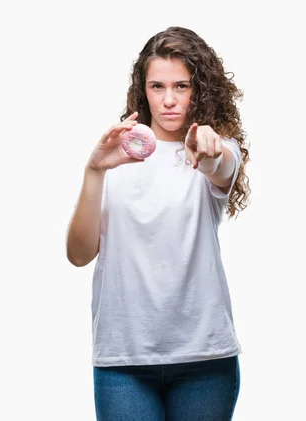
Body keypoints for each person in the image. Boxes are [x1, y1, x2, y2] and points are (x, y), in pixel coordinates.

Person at [66, 26, 250, 421]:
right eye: (157, 86)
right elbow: (79, 255)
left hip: (205, 360)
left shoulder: (214, 147)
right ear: (142, 89)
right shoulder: (115, 154)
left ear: (199, 89)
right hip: (123, 360)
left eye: (181, 86)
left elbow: (222, 166)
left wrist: (211, 149)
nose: (169, 100)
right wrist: (95, 170)